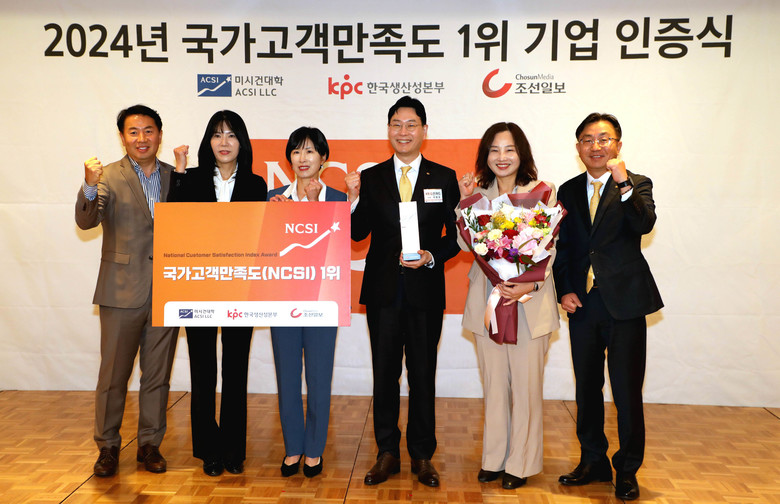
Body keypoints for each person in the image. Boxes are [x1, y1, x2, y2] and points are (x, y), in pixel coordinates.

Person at [345, 96, 460, 487]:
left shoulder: (443, 177)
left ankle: (422, 455)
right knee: (385, 375)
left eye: (412, 125)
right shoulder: (372, 177)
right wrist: (353, 198)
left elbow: (456, 238)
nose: (404, 132)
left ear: (425, 130)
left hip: (425, 291)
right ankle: (387, 452)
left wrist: (431, 255)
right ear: (388, 130)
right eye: (397, 124)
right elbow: (357, 233)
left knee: (423, 375)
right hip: (383, 292)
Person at [553, 113, 663, 501]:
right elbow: (562, 246)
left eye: (604, 139)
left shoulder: (637, 183)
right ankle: (593, 461)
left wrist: (623, 183)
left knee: (626, 391)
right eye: (587, 140)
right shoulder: (567, 190)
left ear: (617, 145)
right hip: (583, 304)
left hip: (625, 304)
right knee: (587, 388)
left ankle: (627, 470)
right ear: (578, 147)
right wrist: (564, 290)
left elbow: (644, 224)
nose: (596, 146)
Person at [75, 104, 180, 477]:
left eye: (148, 130)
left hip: (167, 291)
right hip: (121, 292)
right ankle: (107, 447)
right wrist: (89, 184)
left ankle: (150, 444)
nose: (142, 138)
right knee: (113, 377)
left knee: (157, 376)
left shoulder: (175, 177)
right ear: (123, 137)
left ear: (159, 135)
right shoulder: (107, 176)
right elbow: (86, 221)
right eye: (133, 132)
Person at [456, 122, 560, 489]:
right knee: (495, 385)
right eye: (494, 150)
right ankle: (494, 458)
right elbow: (464, 243)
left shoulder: (542, 192)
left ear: (522, 154)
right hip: (488, 299)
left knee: (527, 388)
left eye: (510, 149)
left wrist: (528, 283)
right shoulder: (478, 193)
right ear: (485, 156)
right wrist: (466, 199)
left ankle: (521, 463)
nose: (502, 157)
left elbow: (550, 247)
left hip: (530, 304)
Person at [168, 110, 267, 476]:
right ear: (208, 141)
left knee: (236, 370)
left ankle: (233, 450)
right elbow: (174, 223)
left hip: (240, 288)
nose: (224, 142)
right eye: (217, 135)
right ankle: (209, 450)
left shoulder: (255, 184)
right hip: (199, 288)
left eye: (231, 135)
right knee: (203, 371)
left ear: (242, 142)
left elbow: (259, 237)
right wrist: (179, 173)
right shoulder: (192, 179)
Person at [267, 126, 346, 478]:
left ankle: (314, 449)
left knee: (318, 376)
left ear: (323, 158)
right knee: (286, 376)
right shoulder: (273, 198)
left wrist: (314, 207)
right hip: (282, 299)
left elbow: (336, 252)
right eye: (297, 151)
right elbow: (265, 251)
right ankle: (293, 448)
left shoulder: (338, 199)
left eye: (311, 151)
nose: (303, 158)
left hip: (323, 301)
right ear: (289, 158)